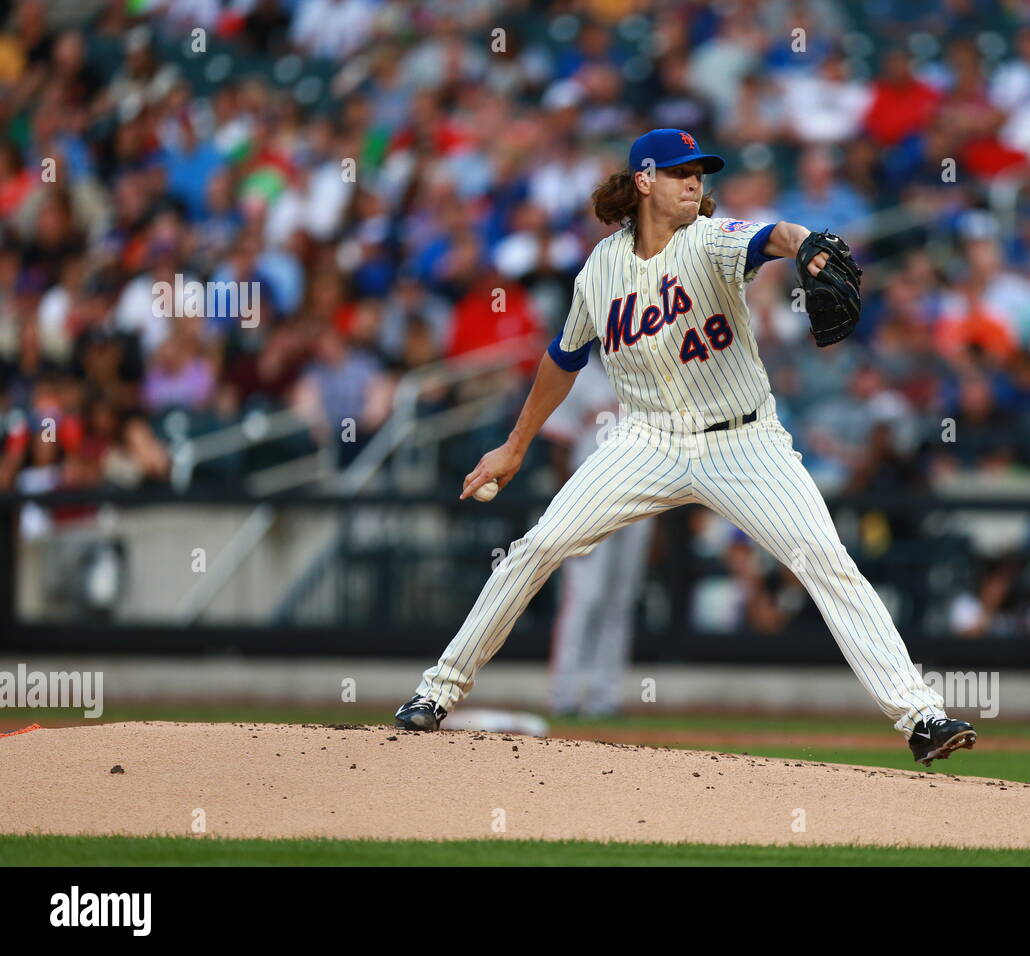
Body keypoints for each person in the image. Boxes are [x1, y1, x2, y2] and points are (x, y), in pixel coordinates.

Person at [395, 129, 976, 766]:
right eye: (678, 172)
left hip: (744, 441)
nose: (694, 182)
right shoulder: (599, 270)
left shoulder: (711, 238)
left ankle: (921, 716)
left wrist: (806, 242)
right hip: (642, 439)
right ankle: (436, 693)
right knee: (538, 545)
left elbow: (773, 236)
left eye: (699, 172)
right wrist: (514, 447)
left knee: (823, 555)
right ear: (644, 181)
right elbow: (562, 360)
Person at [541, 354, 653, 718]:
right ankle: (564, 695)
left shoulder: (648, 369)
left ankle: (605, 697)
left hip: (643, 497)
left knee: (621, 599)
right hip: (590, 500)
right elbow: (558, 445)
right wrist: (567, 506)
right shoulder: (578, 373)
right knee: (584, 597)